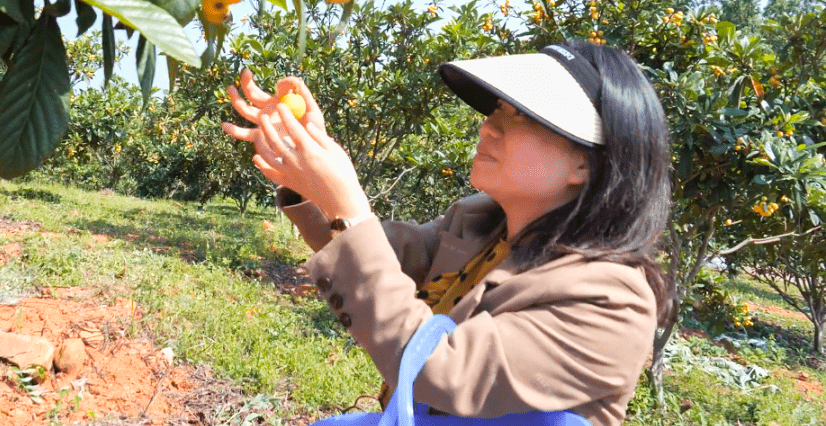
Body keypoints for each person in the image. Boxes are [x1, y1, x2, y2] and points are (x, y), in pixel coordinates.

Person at [221, 41, 672, 426]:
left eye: (522, 118)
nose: (489, 126)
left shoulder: (612, 301)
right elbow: (385, 253)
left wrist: (347, 202)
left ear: (586, 164)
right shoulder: (480, 224)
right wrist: (306, 168)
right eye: (497, 110)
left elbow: (440, 370)